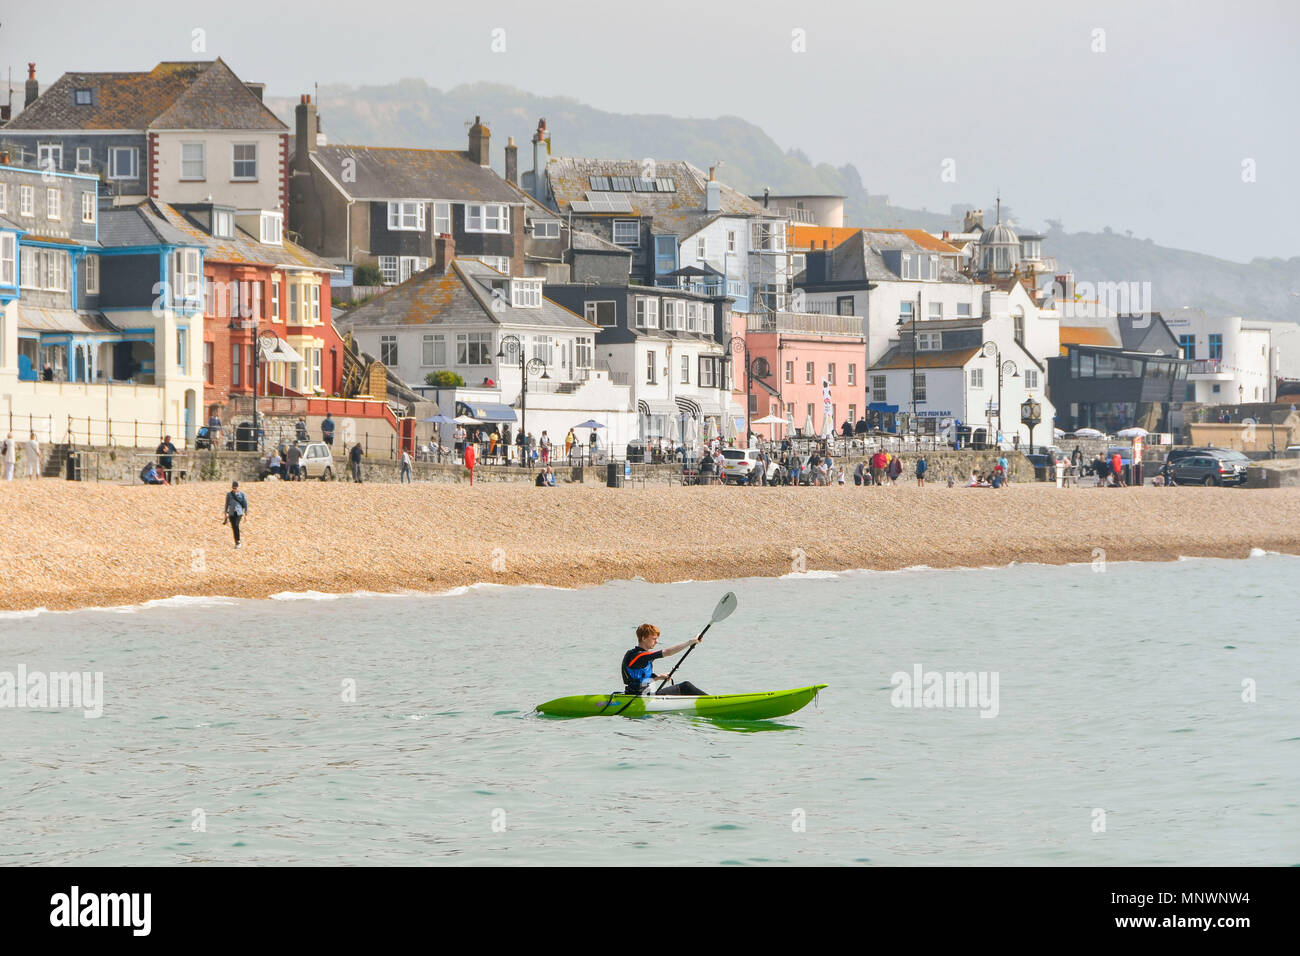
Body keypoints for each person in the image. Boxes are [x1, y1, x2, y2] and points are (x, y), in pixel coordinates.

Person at [621, 623, 706, 697]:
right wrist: (690, 642)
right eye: (654, 639)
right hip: (642, 698)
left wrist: (658, 677)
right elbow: (668, 652)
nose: (657, 641)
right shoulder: (640, 656)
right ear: (643, 638)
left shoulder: (635, 655)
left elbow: (638, 680)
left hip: (638, 695)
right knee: (685, 686)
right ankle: (715, 701)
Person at [223, 480, 248, 549]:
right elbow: (227, 504)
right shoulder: (229, 494)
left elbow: (246, 505)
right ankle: (236, 542)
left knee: (236, 525)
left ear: (238, 488)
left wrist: (246, 514)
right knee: (234, 527)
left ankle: (238, 541)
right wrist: (225, 513)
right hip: (231, 512)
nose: (235, 489)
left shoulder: (242, 495)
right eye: (233, 488)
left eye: (236, 488)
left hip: (239, 512)